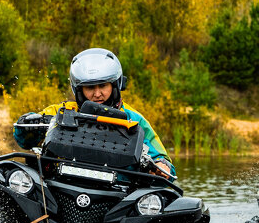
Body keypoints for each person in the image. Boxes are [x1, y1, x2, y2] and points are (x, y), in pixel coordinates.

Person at [13, 48, 175, 178]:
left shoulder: (134, 120)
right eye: (90, 87)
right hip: (61, 187)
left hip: (118, 196)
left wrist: (162, 165)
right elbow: (22, 138)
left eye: (103, 86)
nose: (97, 94)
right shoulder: (60, 111)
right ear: (79, 89)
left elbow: (164, 161)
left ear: (115, 85)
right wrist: (29, 124)